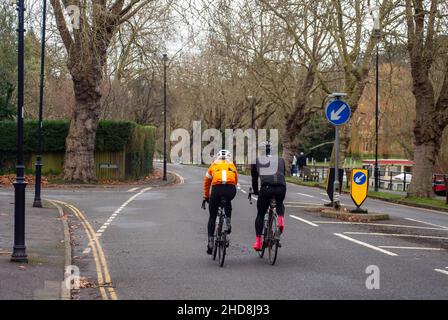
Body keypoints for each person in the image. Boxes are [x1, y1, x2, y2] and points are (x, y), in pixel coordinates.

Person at [251, 142, 287, 251]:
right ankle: (280, 219)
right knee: (280, 203)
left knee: (261, 214)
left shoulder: (257, 160)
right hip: (281, 187)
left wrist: (256, 191)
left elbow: (254, 178)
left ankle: (258, 243)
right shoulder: (281, 159)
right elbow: (282, 174)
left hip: (266, 188)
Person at [203, 150, 238, 255]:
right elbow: (235, 181)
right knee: (228, 202)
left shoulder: (213, 165)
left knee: (212, 216)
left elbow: (206, 182)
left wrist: (206, 196)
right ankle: (228, 222)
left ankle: (210, 243)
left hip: (217, 189)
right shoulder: (232, 165)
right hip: (230, 190)